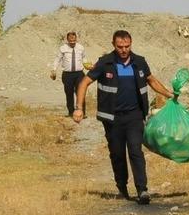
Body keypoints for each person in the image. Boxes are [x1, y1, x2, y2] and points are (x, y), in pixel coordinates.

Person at [72, 30, 173, 205]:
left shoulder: (139, 62)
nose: (124, 50)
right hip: (112, 118)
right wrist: (79, 108)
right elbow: (84, 83)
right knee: (117, 154)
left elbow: (151, 80)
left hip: (135, 116)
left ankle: (142, 190)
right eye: (120, 47)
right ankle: (122, 186)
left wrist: (170, 95)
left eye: (127, 46)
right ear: (113, 45)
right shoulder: (105, 63)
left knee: (135, 151)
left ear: (131, 44)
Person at [50, 31, 91, 116]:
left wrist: (87, 65)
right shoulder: (63, 48)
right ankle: (71, 112)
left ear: (76, 39)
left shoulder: (81, 48)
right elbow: (57, 59)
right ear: (67, 40)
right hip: (67, 75)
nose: (72, 42)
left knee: (80, 92)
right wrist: (54, 70)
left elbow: (84, 58)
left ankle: (82, 112)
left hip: (79, 74)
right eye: (70, 41)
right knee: (69, 93)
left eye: (74, 40)